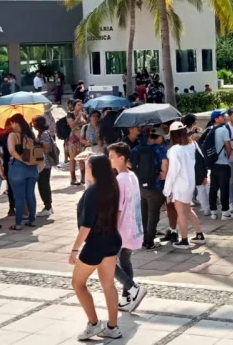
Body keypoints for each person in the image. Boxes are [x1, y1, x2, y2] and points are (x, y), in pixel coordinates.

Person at [69, 155, 124, 341]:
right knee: (108, 284)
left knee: (77, 283)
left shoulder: (94, 191)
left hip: (96, 243)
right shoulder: (113, 186)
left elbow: (86, 225)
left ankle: (93, 323)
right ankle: (113, 326)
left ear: (93, 169)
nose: (86, 169)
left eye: (87, 166)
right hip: (112, 238)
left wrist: (75, 249)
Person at [107, 141, 145, 313]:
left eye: (112, 157)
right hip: (134, 227)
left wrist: (111, 229)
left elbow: (118, 209)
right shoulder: (132, 175)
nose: (110, 160)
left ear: (121, 158)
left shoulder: (120, 179)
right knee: (125, 260)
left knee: (106, 262)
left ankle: (132, 288)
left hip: (123, 228)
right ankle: (126, 297)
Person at [164, 122, 206, 249]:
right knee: (187, 210)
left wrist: (167, 191)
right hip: (189, 183)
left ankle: (184, 240)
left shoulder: (174, 150)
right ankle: (199, 235)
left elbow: (172, 172)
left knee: (181, 212)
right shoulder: (192, 144)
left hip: (179, 184)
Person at [133, 128, 170, 249]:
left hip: (140, 186)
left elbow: (129, 163)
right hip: (155, 186)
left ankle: (143, 239)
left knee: (144, 214)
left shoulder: (137, 149)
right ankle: (149, 241)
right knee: (153, 214)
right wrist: (163, 174)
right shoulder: (159, 149)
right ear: (158, 137)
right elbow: (164, 163)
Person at [6, 114, 40, 230]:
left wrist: (22, 160)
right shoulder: (31, 135)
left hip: (18, 168)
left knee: (19, 197)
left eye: (12, 123)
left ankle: (18, 223)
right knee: (30, 194)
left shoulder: (12, 135)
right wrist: (31, 162)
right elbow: (39, 154)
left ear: (16, 123)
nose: (11, 125)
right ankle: (32, 220)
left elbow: (11, 150)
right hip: (33, 168)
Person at [207, 109, 232, 220]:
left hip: (213, 164)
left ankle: (213, 212)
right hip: (223, 164)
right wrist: (228, 156)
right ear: (216, 119)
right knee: (224, 188)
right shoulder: (224, 130)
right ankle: (225, 212)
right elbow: (228, 147)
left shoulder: (209, 129)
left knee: (213, 188)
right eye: (221, 116)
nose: (224, 117)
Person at [32, 116, 56, 218]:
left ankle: (48, 207)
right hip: (41, 163)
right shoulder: (41, 133)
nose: (33, 124)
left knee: (44, 185)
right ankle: (48, 206)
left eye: (34, 123)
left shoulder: (45, 134)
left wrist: (36, 142)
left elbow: (45, 149)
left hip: (45, 164)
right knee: (42, 184)